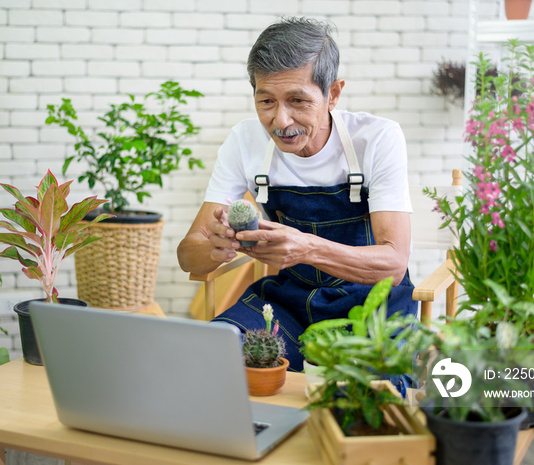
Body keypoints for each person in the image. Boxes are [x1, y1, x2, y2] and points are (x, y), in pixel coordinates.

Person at [177, 17, 416, 372]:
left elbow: (394, 265)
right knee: (211, 355)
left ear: (332, 94)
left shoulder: (377, 139)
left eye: (297, 100)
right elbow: (187, 255)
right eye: (266, 101)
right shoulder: (244, 141)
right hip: (290, 301)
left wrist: (305, 247)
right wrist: (217, 247)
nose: (280, 121)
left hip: (373, 305)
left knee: (369, 393)